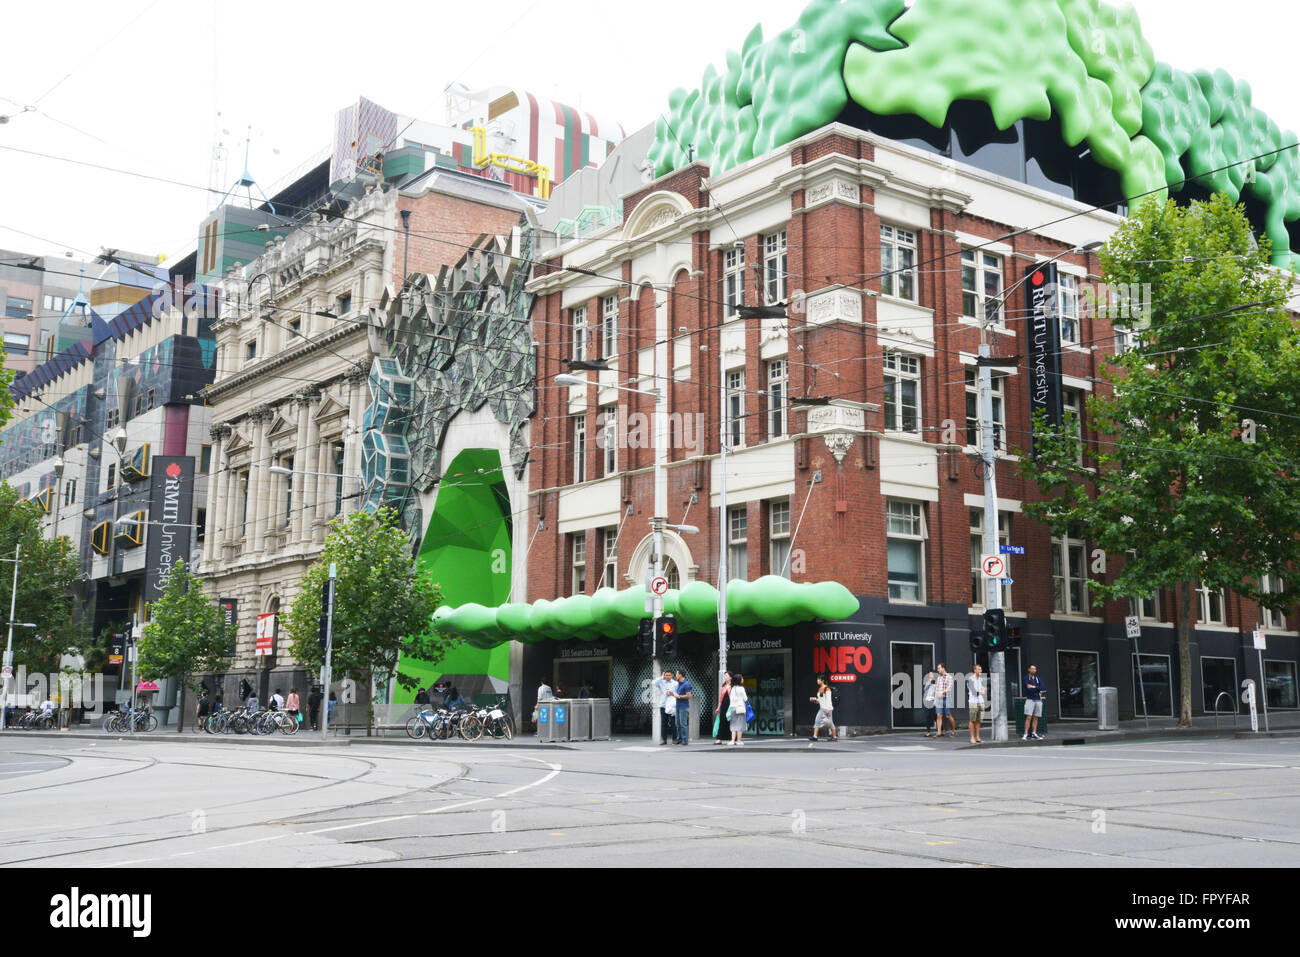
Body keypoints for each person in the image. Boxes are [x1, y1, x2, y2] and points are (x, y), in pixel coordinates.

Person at [809, 675, 837, 742]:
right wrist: (816, 701)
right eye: (817, 679)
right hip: (822, 709)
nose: (817, 681)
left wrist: (828, 709)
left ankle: (834, 737)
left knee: (831, 723)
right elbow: (821, 699)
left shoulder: (827, 689)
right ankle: (815, 736)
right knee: (817, 721)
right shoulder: (819, 689)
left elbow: (829, 700)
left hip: (828, 709)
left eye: (818, 680)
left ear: (822, 681)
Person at [653, 669, 677, 745]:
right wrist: (661, 677)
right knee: (664, 723)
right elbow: (653, 683)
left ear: (672, 675)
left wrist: (672, 693)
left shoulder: (675, 683)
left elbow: (677, 693)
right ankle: (664, 739)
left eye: (669, 675)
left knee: (674, 723)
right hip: (663, 705)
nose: (667, 677)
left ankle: (674, 739)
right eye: (666, 675)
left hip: (672, 705)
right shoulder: (661, 682)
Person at [1023, 665, 1045, 740]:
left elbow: (1043, 688)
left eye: (1035, 669)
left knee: (1036, 717)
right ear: (1029, 669)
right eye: (1032, 668)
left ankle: (1034, 733)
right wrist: (1037, 688)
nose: (1034, 670)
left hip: (1038, 699)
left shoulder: (1038, 678)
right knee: (1029, 717)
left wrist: (1034, 687)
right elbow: (1028, 688)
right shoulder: (1026, 678)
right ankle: (1025, 733)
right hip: (1030, 699)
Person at [728, 673, 749, 746]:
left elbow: (730, 699)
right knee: (740, 725)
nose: (743, 680)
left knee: (733, 725)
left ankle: (732, 740)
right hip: (740, 708)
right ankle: (739, 741)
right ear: (739, 680)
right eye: (742, 678)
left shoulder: (732, 688)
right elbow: (745, 698)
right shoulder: (741, 688)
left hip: (733, 708)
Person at [934, 664, 955, 737]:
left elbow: (949, 688)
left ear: (943, 668)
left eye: (939, 668)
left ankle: (953, 730)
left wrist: (942, 692)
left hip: (947, 699)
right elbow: (936, 689)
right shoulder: (939, 678)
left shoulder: (949, 677)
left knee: (948, 716)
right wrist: (935, 699)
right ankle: (939, 732)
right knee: (939, 715)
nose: (938, 670)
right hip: (939, 699)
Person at [672, 669, 693, 745]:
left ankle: (685, 740)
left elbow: (688, 696)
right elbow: (677, 695)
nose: (676, 675)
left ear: (680, 675)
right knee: (677, 723)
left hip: (683, 707)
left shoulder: (686, 684)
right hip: (678, 706)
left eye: (677, 674)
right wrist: (672, 694)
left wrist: (679, 696)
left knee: (683, 724)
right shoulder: (678, 684)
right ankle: (679, 739)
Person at [966, 664, 986, 744]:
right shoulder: (970, 679)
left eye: (981, 669)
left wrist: (981, 691)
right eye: (978, 669)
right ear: (975, 670)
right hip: (973, 702)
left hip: (980, 701)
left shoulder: (981, 679)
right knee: (972, 720)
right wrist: (980, 692)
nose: (980, 671)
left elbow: (984, 689)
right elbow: (974, 692)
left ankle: (977, 737)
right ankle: (972, 737)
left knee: (978, 720)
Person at [713, 672, 732, 745]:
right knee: (722, 721)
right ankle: (719, 739)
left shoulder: (733, 686)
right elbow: (721, 698)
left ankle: (732, 738)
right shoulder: (723, 686)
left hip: (730, 706)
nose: (725, 677)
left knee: (730, 722)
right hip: (723, 706)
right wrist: (718, 708)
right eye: (725, 675)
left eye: (726, 675)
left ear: (730, 677)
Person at [922, 670, 938, 737]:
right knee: (927, 716)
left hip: (934, 701)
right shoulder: (928, 682)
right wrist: (929, 682)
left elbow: (937, 692)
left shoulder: (937, 682)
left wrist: (935, 700)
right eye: (929, 675)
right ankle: (928, 732)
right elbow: (925, 689)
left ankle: (942, 729)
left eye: (931, 674)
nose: (930, 676)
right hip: (927, 701)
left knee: (935, 717)